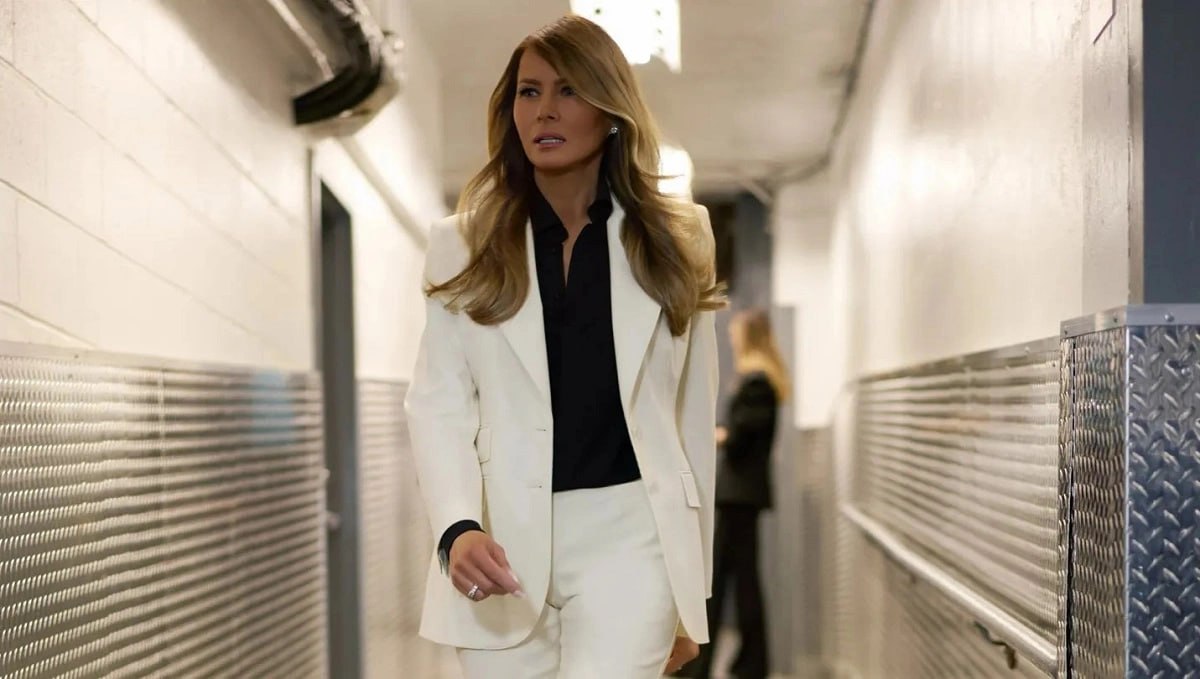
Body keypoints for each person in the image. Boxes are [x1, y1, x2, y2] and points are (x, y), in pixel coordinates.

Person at [403, 15, 725, 679]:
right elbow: (438, 403)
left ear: (611, 111)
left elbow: (691, 422)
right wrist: (457, 526)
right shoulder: (461, 243)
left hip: (632, 536)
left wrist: (691, 598)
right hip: (499, 539)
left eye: (569, 90)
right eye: (529, 91)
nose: (544, 110)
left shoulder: (678, 236)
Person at [682, 308, 788, 679]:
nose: (731, 339)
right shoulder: (763, 380)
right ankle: (746, 663)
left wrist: (714, 435)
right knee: (742, 580)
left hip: (737, 495)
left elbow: (741, 436)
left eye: (736, 334)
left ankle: (702, 666)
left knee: (724, 581)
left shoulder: (756, 382)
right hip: (743, 495)